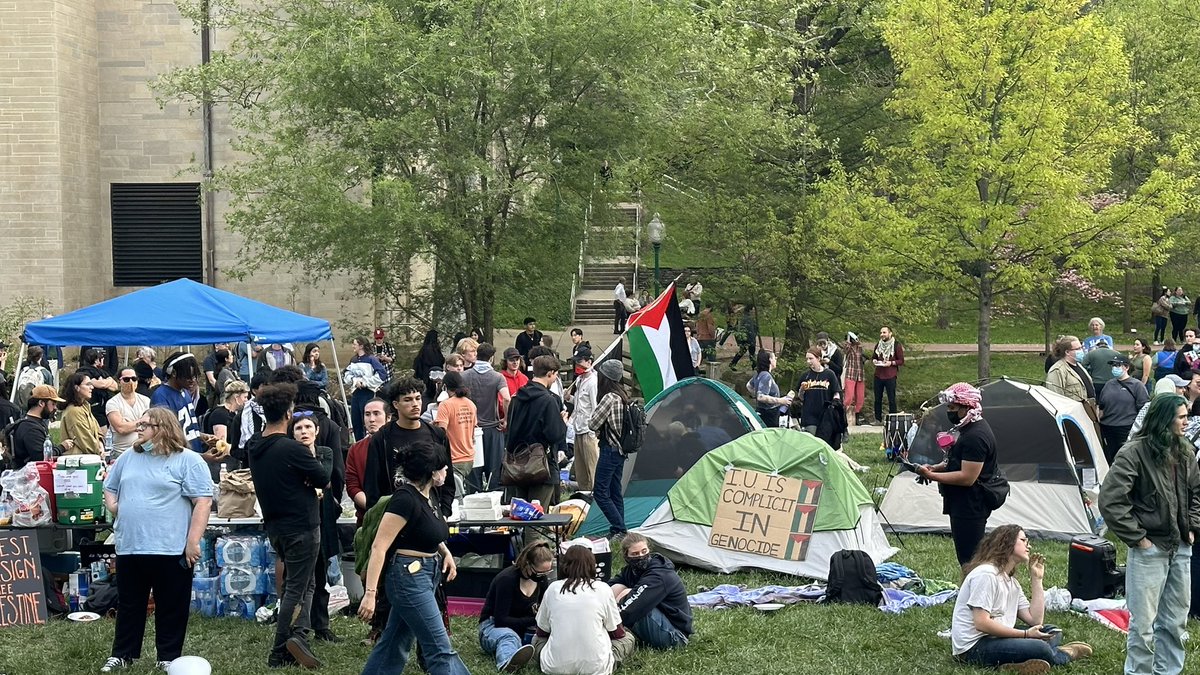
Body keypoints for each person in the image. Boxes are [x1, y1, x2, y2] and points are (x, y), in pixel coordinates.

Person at [100, 408, 213, 673]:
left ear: (162, 428)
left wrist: (193, 541)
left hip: (170, 546)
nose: (137, 429)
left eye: (143, 425)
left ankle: (168, 655)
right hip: (130, 545)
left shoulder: (189, 460)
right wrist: (117, 507)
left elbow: (202, 502)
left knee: (171, 603)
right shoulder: (129, 457)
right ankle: (123, 654)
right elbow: (109, 486)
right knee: (129, 603)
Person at [1100, 394, 1200, 675]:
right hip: (1149, 550)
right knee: (1143, 625)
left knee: (1175, 621)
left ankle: (1168, 671)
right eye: (1181, 416)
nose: (1186, 421)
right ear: (1164, 419)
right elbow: (1111, 500)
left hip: (1180, 547)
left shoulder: (1185, 451)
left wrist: (1192, 526)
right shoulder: (1134, 452)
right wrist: (1138, 538)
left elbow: (1198, 492)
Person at [357, 441, 468, 675]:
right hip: (408, 578)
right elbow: (379, 547)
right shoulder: (404, 499)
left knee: (394, 642)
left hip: (426, 574)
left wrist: (444, 552)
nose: (446, 470)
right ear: (430, 472)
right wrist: (370, 594)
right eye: (442, 467)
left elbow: (425, 529)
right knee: (440, 648)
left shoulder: (428, 495)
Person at [246, 383, 331, 668]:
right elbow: (322, 478)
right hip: (302, 525)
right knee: (297, 587)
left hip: (276, 527)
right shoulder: (292, 449)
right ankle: (281, 648)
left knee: (307, 583)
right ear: (288, 413)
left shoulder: (254, 446)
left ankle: (300, 637)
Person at [950, 525, 1092, 672]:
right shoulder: (986, 574)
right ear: (1006, 542)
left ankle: (1013, 664)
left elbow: (1035, 621)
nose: (1028, 546)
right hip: (974, 647)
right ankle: (1061, 654)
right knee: (1041, 647)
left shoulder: (1011, 583)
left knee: (1051, 631)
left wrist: (1036, 579)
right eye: (1023, 540)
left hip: (995, 638)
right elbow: (981, 623)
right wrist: (1025, 635)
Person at [917, 383, 1000, 566]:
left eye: (953, 408)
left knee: (970, 558)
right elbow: (956, 462)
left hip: (971, 505)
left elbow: (967, 477)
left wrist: (931, 476)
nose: (949, 412)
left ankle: (973, 590)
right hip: (961, 502)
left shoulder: (976, 436)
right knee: (966, 554)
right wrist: (935, 468)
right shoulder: (968, 428)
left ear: (967, 407)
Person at [534, 545, 634, 675]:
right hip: (597, 669)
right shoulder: (603, 589)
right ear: (592, 565)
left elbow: (541, 632)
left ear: (564, 565)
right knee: (628, 637)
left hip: (554, 668)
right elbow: (618, 633)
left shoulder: (553, 588)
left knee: (536, 640)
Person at [290, 411, 341, 644]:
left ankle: (322, 625)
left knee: (320, 576)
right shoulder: (289, 455)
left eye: (308, 427)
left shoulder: (325, 453)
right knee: (301, 579)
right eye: (299, 428)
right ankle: (298, 627)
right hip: (300, 521)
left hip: (324, 519)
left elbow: (326, 477)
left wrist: (314, 479)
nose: (304, 432)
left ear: (317, 430)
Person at [478, 541, 554, 672]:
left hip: (524, 627)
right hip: (493, 627)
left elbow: (544, 611)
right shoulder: (507, 580)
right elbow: (501, 620)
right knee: (510, 637)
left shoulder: (541, 580)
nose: (543, 577)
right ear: (527, 564)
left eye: (547, 572)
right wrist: (534, 621)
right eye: (540, 573)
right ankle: (507, 663)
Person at [609, 534, 692, 650]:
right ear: (626, 556)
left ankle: (606, 632)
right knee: (618, 587)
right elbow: (609, 587)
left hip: (676, 636)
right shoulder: (631, 571)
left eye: (644, 551)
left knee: (628, 595)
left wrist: (608, 620)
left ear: (649, 550)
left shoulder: (659, 575)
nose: (641, 556)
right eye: (635, 554)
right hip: (660, 623)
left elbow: (633, 607)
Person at [505, 354, 568, 506]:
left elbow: (510, 430)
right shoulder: (548, 400)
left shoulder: (516, 397)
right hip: (541, 465)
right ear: (549, 373)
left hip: (517, 463)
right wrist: (562, 422)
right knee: (537, 517)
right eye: (555, 375)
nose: (555, 379)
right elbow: (555, 434)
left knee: (520, 515)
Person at [590, 360, 631, 539]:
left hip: (609, 449)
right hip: (621, 451)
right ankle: (618, 530)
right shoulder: (623, 395)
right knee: (615, 492)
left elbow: (593, 423)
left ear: (605, 377)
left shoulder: (609, 398)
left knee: (600, 492)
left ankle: (620, 527)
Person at [464, 343, 510, 490]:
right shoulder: (498, 377)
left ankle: (474, 500)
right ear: (492, 358)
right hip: (492, 428)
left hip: (472, 430)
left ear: (477, 355)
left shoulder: (464, 376)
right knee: (494, 471)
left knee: (474, 471)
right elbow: (507, 398)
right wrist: (506, 419)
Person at [1096, 355, 1150, 464]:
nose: (1114, 368)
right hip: (1107, 428)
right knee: (1108, 458)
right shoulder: (1108, 384)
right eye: (1113, 365)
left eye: (1117, 365)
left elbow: (1144, 409)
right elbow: (1101, 406)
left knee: (1124, 459)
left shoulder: (1137, 386)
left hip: (1126, 429)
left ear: (1126, 367)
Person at [8, 384, 73, 468]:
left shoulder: (35, 423)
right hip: (29, 478)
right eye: (53, 404)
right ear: (41, 403)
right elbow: (41, 457)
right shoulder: (30, 428)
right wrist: (62, 447)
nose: (55, 408)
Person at [345, 397, 389, 523]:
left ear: (388, 417)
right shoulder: (355, 449)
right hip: (367, 518)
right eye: (367, 414)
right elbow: (352, 486)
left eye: (376, 413)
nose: (371, 419)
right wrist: (374, 509)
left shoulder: (399, 444)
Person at [435, 371, 477, 495]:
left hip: (453, 458)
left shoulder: (445, 405)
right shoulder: (471, 404)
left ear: (445, 386)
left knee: (453, 498)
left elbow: (441, 433)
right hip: (469, 458)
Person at [566, 348, 599, 491]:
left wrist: (594, 431)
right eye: (576, 362)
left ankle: (595, 494)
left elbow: (595, 407)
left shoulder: (593, 382)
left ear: (589, 362)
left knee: (592, 467)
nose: (577, 366)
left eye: (580, 362)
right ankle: (584, 492)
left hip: (589, 430)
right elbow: (581, 403)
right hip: (578, 428)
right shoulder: (579, 380)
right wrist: (570, 398)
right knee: (580, 469)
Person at [793, 347, 841, 440]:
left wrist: (835, 402)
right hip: (809, 415)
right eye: (807, 359)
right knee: (812, 441)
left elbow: (836, 392)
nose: (808, 361)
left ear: (818, 359)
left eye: (811, 358)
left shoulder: (830, 374)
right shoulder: (805, 376)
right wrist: (802, 390)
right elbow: (800, 398)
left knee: (824, 442)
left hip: (825, 415)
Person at [349, 336, 389, 440]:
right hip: (355, 393)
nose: (353, 346)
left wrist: (366, 382)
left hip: (367, 393)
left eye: (355, 344)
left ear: (361, 346)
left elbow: (382, 374)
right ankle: (359, 443)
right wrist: (354, 381)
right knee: (356, 421)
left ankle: (371, 441)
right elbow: (347, 374)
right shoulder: (353, 360)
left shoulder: (371, 359)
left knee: (367, 420)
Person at [106, 367, 151, 460]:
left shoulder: (146, 401)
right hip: (122, 454)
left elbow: (152, 426)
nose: (131, 382)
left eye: (134, 379)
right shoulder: (112, 403)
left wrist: (130, 424)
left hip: (145, 451)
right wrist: (142, 421)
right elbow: (121, 428)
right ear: (119, 382)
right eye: (126, 379)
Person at [203, 380, 249, 469]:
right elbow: (221, 445)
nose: (246, 401)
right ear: (236, 397)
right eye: (245, 397)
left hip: (232, 461)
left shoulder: (235, 414)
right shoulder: (220, 414)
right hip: (221, 465)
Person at [60, 371, 103, 456]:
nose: (92, 387)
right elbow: (85, 440)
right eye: (88, 384)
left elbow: (98, 431)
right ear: (77, 388)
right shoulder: (74, 411)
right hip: (78, 462)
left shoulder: (85, 407)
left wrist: (101, 444)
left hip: (89, 458)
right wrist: (99, 451)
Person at [77, 348, 118, 431]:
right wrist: (106, 382)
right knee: (102, 434)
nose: (103, 360)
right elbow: (98, 384)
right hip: (94, 407)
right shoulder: (83, 372)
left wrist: (105, 382)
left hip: (104, 406)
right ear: (96, 360)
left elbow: (115, 386)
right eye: (101, 358)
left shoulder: (102, 372)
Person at [1044, 336, 1094, 403]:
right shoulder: (1057, 370)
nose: (1081, 351)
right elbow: (1055, 398)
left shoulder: (1079, 365)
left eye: (1081, 347)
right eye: (1078, 349)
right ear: (1067, 352)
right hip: (1072, 412)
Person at [870, 326, 904, 424]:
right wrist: (875, 361)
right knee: (877, 398)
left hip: (890, 375)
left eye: (884, 332)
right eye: (881, 333)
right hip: (878, 375)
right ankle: (877, 419)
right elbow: (874, 357)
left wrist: (891, 363)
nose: (882, 335)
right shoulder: (878, 345)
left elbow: (901, 361)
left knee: (891, 398)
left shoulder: (896, 345)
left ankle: (892, 420)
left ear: (890, 333)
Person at [747, 351, 789, 429]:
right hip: (769, 414)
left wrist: (755, 393)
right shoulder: (766, 376)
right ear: (769, 360)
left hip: (761, 410)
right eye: (774, 357)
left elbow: (749, 386)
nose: (776, 359)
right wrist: (781, 401)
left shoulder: (758, 374)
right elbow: (761, 397)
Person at [12, 346, 53, 411]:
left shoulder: (23, 371)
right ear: (41, 357)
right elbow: (51, 393)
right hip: (40, 410)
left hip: (22, 409)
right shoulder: (45, 373)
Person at [412, 330, 445, 403]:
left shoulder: (424, 349)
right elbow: (440, 360)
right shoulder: (434, 349)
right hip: (433, 374)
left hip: (425, 375)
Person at [842, 332, 866, 427]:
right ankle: (843, 415)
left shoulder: (860, 348)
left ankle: (857, 416)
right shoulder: (849, 347)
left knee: (860, 397)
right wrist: (849, 340)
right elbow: (845, 351)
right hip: (850, 374)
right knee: (849, 397)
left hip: (860, 374)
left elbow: (862, 356)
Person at [728, 304, 759, 370]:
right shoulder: (748, 319)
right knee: (751, 352)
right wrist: (752, 338)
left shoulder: (744, 317)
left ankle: (733, 364)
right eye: (753, 310)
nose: (754, 311)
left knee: (743, 351)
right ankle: (754, 366)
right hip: (748, 339)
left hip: (744, 338)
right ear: (750, 310)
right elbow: (750, 330)